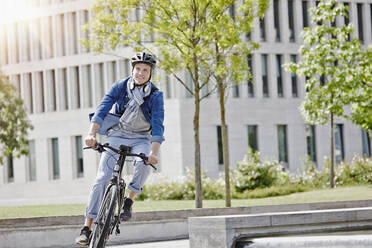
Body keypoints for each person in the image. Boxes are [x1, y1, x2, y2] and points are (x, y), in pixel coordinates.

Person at [75, 52, 165, 246]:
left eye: (145, 70)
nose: (140, 73)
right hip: (117, 134)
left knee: (143, 164)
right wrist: (92, 134)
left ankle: (128, 200)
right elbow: (103, 108)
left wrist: (153, 153)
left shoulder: (156, 95)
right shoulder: (120, 86)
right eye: (138, 69)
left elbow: (158, 125)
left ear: (151, 73)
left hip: (141, 137)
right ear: (132, 70)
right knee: (102, 179)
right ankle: (87, 227)